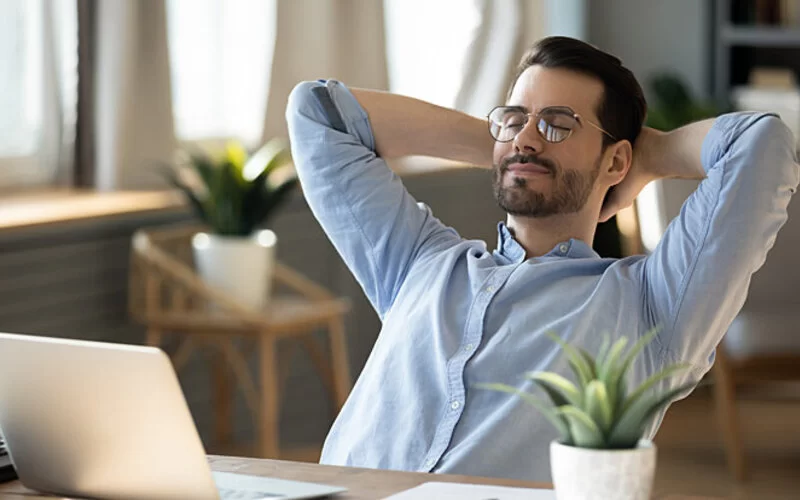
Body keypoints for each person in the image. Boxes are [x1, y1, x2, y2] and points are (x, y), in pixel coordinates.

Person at [285, 36, 799, 481]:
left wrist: (646, 158)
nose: (528, 136)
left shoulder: (652, 306)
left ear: (617, 158)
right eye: (512, 119)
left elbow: (762, 144)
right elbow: (317, 112)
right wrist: (513, 150)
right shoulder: (419, 261)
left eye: (559, 124)